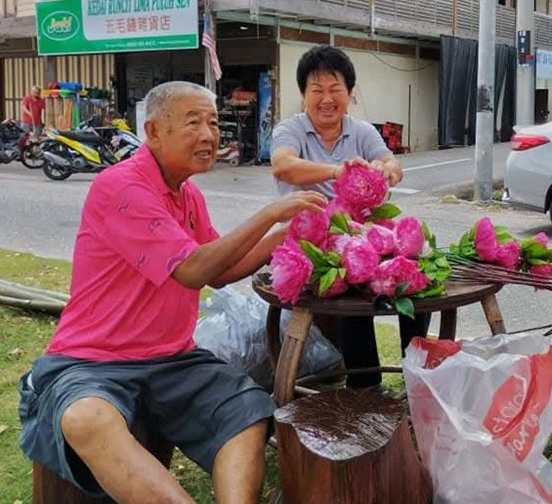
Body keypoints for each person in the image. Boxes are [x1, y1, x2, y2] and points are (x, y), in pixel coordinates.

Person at [19, 81, 326, 504]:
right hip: (92, 360)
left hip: (173, 358)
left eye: (214, 123)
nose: (209, 134)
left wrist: (284, 234)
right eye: (193, 122)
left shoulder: (188, 194)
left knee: (248, 413)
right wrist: (271, 213)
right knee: (86, 418)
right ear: (154, 132)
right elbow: (191, 269)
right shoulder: (121, 186)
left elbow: (221, 271)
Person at [271, 45, 429, 390]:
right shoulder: (290, 130)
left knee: (414, 277)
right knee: (351, 282)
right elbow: (283, 166)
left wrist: (383, 170)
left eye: (335, 90)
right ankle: (365, 385)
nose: (326, 99)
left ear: (350, 94)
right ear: (303, 95)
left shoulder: (361, 132)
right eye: (317, 91)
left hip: (362, 236)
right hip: (313, 243)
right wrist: (337, 171)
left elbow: (393, 165)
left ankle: (418, 373)